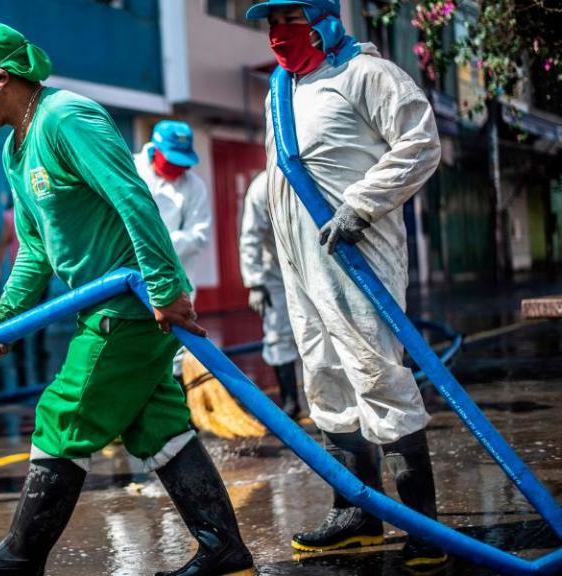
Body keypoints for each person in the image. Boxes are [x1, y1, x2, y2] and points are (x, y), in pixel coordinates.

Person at [0, 21, 254, 576]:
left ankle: (21, 557)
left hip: (127, 306)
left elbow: (133, 198)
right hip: (102, 305)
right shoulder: (15, 148)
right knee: (159, 428)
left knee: (62, 412)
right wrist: (4, 317)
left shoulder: (66, 118)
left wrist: (166, 287)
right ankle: (225, 549)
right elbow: (34, 250)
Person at [245, 0, 446, 568]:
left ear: (325, 22)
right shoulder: (280, 92)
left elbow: (420, 144)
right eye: (270, 25)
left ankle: (425, 527)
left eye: (290, 21)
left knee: (377, 375)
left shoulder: (368, 75)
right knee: (325, 377)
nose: (277, 36)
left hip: (357, 258)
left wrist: (359, 206)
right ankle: (356, 513)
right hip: (301, 266)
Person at [239, 171, 301, 418]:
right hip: (277, 273)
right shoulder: (262, 186)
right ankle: (290, 401)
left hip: (319, 266)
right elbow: (250, 236)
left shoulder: (313, 172)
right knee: (278, 333)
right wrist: (255, 282)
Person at [133, 120, 212, 298]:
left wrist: (160, 245)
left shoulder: (195, 186)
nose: (180, 167)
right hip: (131, 277)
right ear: (156, 150)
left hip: (175, 284)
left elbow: (199, 235)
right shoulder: (131, 170)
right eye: (173, 160)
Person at [0, 194, 49, 387]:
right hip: (28, 273)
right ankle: (32, 347)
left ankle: (27, 348)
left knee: (29, 311)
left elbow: (3, 243)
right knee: (40, 310)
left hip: (31, 272)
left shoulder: (21, 214)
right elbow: (4, 243)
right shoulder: (20, 215)